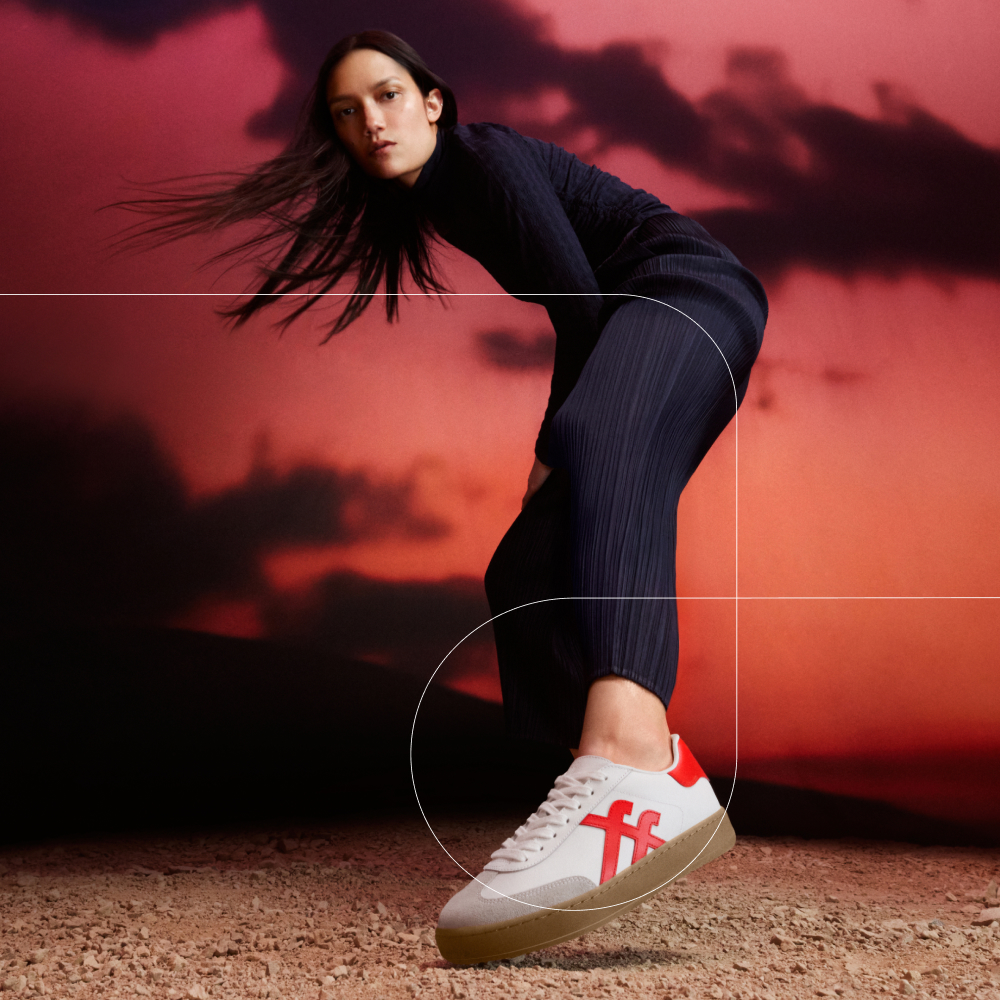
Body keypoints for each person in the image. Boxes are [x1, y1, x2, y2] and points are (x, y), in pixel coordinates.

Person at [117, 30, 767, 965]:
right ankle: (598, 815)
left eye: (386, 96)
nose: (371, 122)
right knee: (525, 570)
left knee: (592, 443)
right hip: (648, 318)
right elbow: (581, 315)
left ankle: (630, 758)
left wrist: (558, 440)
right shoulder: (435, 193)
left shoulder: (484, 160)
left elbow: (582, 305)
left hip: (686, 293)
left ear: (433, 101)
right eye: (348, 112)